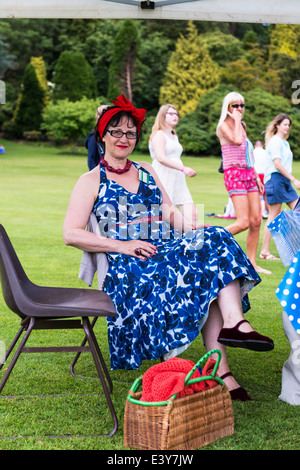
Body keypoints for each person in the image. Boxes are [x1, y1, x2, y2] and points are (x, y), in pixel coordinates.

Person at [63, 94, 274, 402]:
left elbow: (168, 212)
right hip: (130, 265)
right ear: (102, 135)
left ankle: (233, 325)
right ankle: (223, 364)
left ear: (137, 137)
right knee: (207, 271)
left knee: (214, 236)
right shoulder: (90, 180)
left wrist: (192, 229)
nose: (124, 138)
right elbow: (71, 233)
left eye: (131, 132)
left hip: (166, 249)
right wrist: (123, 246)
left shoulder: (147, 169)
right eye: (116, 131)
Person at [216, 92, 271, 275]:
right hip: (234, 174)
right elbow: (237, 140)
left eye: (242, 106)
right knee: (243, 222)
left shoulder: (242, 125)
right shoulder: (223, 126)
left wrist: (256, 177)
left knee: (256, 220)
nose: (239, 109)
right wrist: (237, 120)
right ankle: (212, 239)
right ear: (228, 108)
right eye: (235, 106)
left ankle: (252, 263)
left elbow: (247, 154)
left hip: (249, 174)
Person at [149, 104, 197, 226]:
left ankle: (189, 241)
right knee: (166, 215)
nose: (175, 116)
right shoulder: (159, 134)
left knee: (192, 215)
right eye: (171, 113)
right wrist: (183, 168)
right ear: (162, 116)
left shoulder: (174, 135)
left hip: (177, 177)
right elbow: (160, 157)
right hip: (163, 175)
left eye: (176, 114)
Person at [260, 114, 300, 260]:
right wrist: (294, 180)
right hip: (275, 180)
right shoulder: (275, 141)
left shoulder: (285, 143)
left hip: (284, 181)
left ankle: (291, 243)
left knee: (298, 209)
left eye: (288, 125)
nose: (287, 127)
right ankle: (264, 252)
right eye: (284, 124)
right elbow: (277, 164)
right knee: (273, 216)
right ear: (277, 125)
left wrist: (290, 180)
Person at [85, 104, 108, 170]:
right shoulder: (94, 136)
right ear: (98, 117)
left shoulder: (111, 135)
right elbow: (91, 160)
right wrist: (97, 176)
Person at [253, 140, 268, 219]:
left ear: (255, 146)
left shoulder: (252, 152)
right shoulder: (265, 152)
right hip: (264, 174)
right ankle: (265, 211)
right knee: (265, 194)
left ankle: (258, 212)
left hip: (256, 174)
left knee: (257, 194)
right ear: (262, 145)